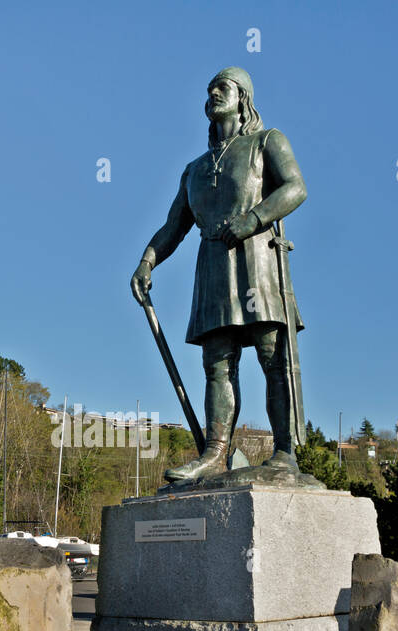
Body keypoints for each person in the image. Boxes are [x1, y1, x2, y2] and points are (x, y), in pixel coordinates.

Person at [131, 67, 309, 482]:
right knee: (217, 365)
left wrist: (255, 218)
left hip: (258, 264)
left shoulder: (267, 142)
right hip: (214, 270)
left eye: (222, 87)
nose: (213, 93)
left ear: (243, 97)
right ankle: (215, 454)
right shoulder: (193, 169)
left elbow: (296, 187)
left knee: (272, 357)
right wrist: (147, 260)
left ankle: (284, 452)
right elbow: (175, 224)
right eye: (209, 88)